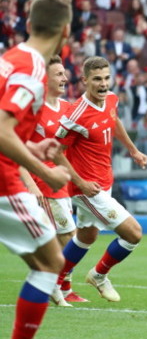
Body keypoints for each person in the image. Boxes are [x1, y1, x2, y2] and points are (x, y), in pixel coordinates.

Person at [0, 0, 73, 339]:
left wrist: (31, 144)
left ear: (29, 24)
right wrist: (46, 172)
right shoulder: (34, 69)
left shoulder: (12, 57)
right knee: (50, 263)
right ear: (66, 32)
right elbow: (1, 130)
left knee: (46, 262)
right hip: (2, 180)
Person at [54, 56, 147, 303]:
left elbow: (114, 121)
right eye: (97, 79)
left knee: (87, 237)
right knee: (134, 234)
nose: (103, 84)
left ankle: (53, 282)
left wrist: (133, 150)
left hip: (104, 180)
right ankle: (99, 274)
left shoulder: (111, 99)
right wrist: (81, 183)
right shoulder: (76, 115)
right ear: (85, 80)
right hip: (86, 187)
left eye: (106, 78)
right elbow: (55, 152)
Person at [24, 55, 87, 305]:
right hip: (44, 180)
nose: (64, 77)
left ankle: (60, 285)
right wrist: (29, 183)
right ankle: (53, 284)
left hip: (64, 179)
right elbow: (17, 145)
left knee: (62, 236)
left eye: (64, 73)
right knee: (69, 234)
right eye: (58, 74)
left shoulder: (68, 108)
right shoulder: (34, 110)